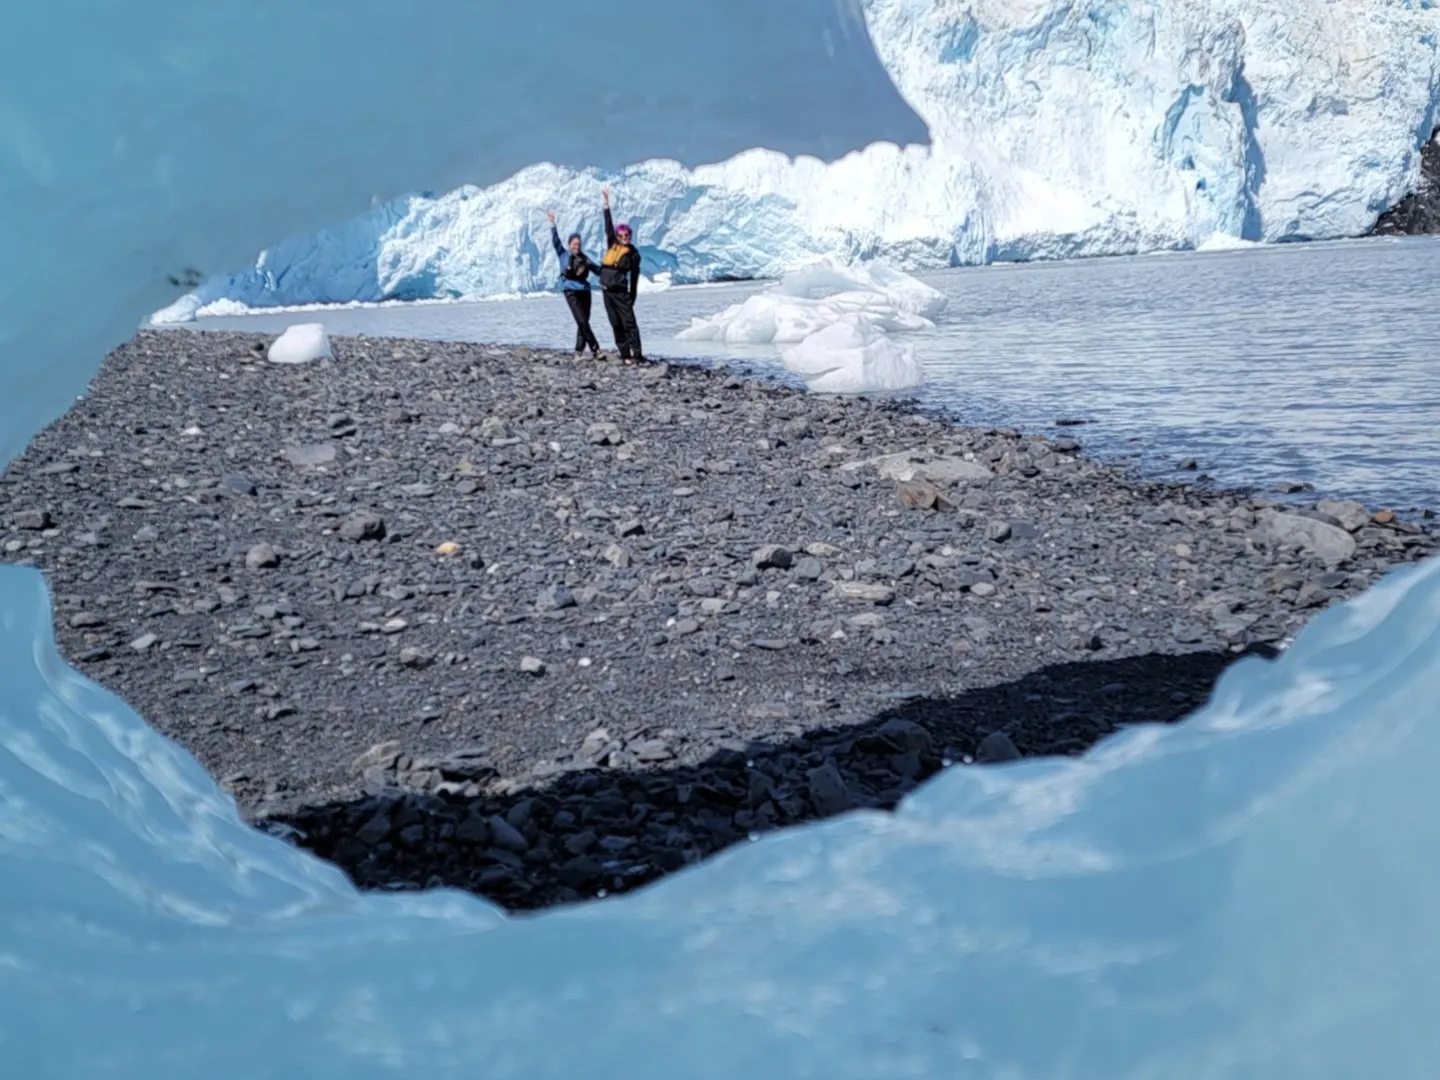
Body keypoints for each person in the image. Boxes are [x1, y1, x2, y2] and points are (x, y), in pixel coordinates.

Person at [595, 187, 645, 361]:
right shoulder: (612, 245)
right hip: (607, 291)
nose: (624, 237)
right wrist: (606, 205)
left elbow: (635, 276)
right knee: (615, 323)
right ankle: (625, 354)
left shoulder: (633, 254)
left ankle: (637, 354)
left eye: (627, 235)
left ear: (630, 236)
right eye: (621, 235)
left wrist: (632, 296)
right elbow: (608, 225)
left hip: (621, 293)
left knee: (629, 322)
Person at [545, 210, 603, 357]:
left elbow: (597, 270)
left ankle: (578, 351)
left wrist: (612, 272)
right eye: (574, 244)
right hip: (570, 291)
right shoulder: (563, 254)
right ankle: (596, 350)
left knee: (583, 321)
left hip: (585, 291)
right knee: (582, 320)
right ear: (570, 245)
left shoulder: (585, 258)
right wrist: (552, 224)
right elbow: (555, 241)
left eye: (578, 244)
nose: (576, 246)